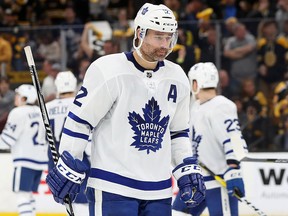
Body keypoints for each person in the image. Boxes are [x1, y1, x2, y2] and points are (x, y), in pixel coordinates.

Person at [46, 3, 206, 216]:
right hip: (112, 186)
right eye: (159, 36)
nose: (165, 45)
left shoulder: (177, 77)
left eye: (170, 37)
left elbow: (178, 132)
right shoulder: (107, 70)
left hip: (159, 190)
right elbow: (80, 121)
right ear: (140, 33)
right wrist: (69, 160)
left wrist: (185, 168)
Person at [172, 62, 247, 216]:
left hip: (219, 181)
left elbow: (234, 140)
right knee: (176, 213)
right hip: (198, 181)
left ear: (195, 83)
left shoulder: (222, 106)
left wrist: (234, 170)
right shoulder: (195, 107)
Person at [40, 71, 90, 215]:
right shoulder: (81, 104)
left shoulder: (48, 107)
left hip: (55, 156)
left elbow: (41, 137)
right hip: (79, 156)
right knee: (84, 197)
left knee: (65, 197)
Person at [0, 84, 48, 216]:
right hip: (40, 161)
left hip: (25, 160)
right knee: (28, 195)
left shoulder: (18, 112)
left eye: (18, 95)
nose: (16, 97)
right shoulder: (41, 112)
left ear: (24, 98)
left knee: (22, 196)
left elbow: (7, 140)